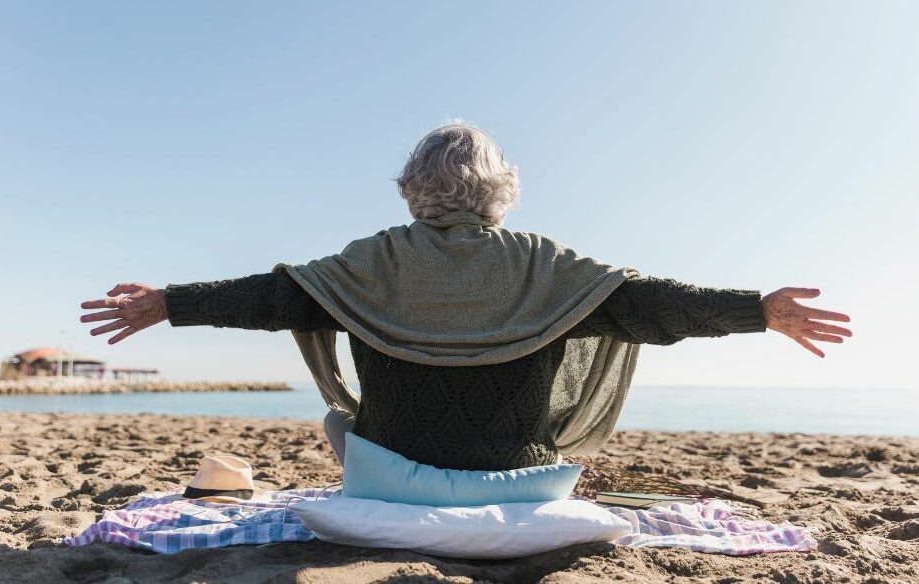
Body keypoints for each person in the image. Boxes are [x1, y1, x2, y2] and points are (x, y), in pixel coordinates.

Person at [79, 122, 852, 472]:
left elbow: (274, 298)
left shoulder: (370, 262)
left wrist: (170, 302)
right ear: (503, 189)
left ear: (414, 189)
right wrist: (759, 310)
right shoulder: (549, 267)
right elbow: (651, 304)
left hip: (389, 473)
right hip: (522, 470)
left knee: (334, 416)